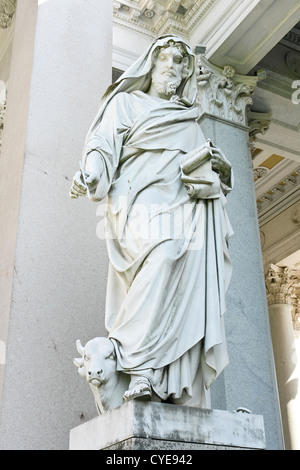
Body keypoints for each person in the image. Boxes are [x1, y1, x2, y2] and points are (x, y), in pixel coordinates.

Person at [70, 35, 233, 408]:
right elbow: (102, 144)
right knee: (163, 254)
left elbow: (207, 173)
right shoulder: (125, 103)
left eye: (180, 62)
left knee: (182, 272)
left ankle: (160, 378)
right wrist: (91, 173)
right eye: (167, 59)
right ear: (151, 63)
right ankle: (137, 361)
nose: (173, 67)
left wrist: (223, 174)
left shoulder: (187, 120)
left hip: (185, 208)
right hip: (138, 204)